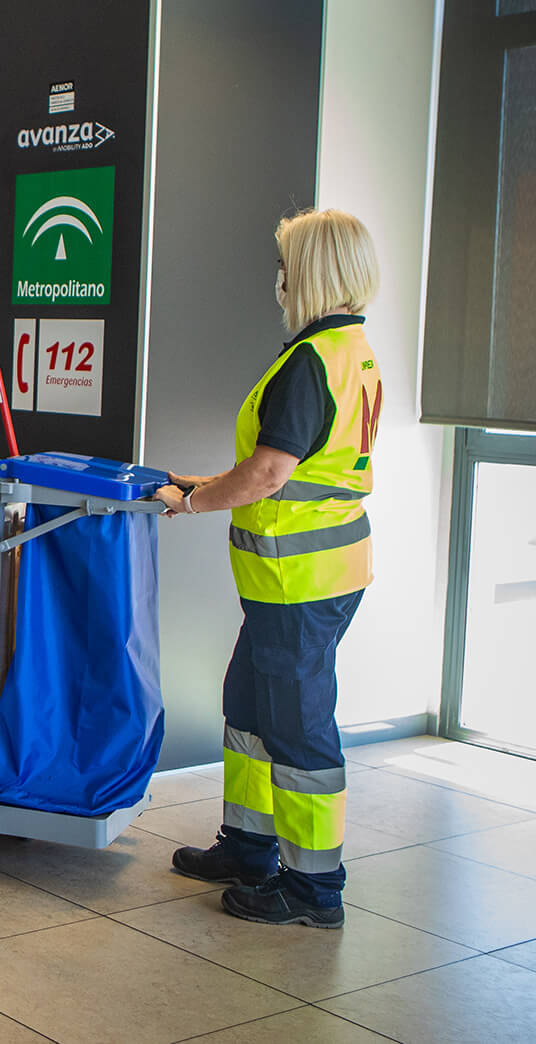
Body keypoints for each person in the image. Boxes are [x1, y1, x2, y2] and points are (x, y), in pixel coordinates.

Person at [158, 208, 382, 929]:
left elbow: (267, 475)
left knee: (298, 731)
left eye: (286, 268)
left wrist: (195, 505)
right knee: (250, 710)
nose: (279, 283)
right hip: (307, 575)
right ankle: (249, 845)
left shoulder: (311, 363)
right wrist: (200, 485)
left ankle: (315, 887)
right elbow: (288, 468)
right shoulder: (349, 351)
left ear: (312, 274)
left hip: (300, 583)